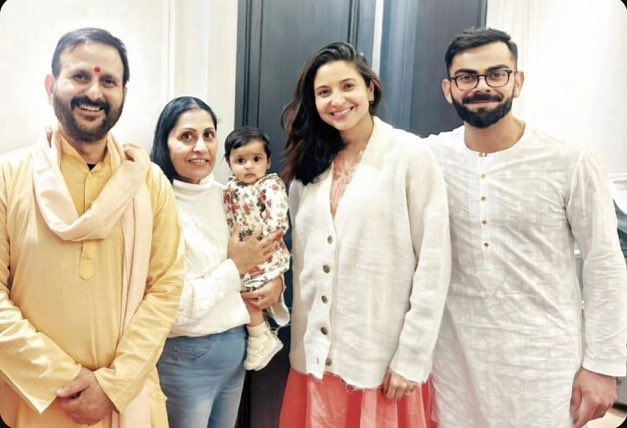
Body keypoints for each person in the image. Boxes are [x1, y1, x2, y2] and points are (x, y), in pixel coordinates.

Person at [426, 28, 627, 428]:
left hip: (544, 369)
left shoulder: (569, 162)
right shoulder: (428, 158)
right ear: (449, 89)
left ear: (517, 81)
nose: (482, 86)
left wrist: (603, 365)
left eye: (496, 74)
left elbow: (604, 263)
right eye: (466, 77)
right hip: (452, 368)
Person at [0, 28, 185, 427]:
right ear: (51, 85)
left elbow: (166, 287)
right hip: (37, 405)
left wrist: (115, 385)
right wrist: (62, 378)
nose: (94, 92)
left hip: (127, 401)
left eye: (108, 82)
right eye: (80, 76)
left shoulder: (148, 181)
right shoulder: (8, 176)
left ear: (123, 93)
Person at [278, 41, 451, 427]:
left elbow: (434, 264)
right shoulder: (308, 168)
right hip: (315, 362)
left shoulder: (409, 155)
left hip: (381, 366)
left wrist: (412, 356)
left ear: (370, 89)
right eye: (324, 92)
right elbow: (302, 262)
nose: (337, 100)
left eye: (348, 86)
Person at [150, 96, 287, 428]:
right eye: (187, 136)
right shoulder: (156, 205)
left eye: (208, 135)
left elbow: (259, 253)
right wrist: (234, 268)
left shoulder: (228, 195)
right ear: (165, 143)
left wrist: (276, 283)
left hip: (236, 347)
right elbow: (173, 306)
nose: (200, 147)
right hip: (185, 355)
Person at [223, 126, 290, 371]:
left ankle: (260, 336)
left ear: (268, 161)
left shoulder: (269, 185)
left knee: (248, 290)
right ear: (229, 163)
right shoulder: (229, 187)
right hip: (242, 252)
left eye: (256, 159)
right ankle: (260, 334)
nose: (249, 166)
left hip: (264, 250)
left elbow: (278, 217)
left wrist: (266, 238)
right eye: (240, 161)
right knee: (240, 288)